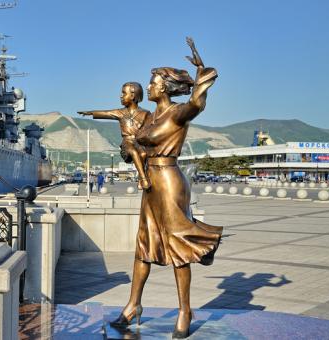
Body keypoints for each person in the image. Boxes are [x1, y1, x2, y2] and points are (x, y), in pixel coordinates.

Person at [111, 38, 223, 339]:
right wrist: (128, 147)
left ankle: (185, 309)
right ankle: (133, 304)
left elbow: (197, 104)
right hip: (149, 183)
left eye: (153, 82)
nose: (148, 87)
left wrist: (201, 73)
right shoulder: (149, 117)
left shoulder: (177, 113)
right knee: (144, 245)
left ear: (165, 87)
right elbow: (137, 147)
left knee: (177, 248)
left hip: (170, 181)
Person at [79, 82, 151, 189]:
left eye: (123, 93)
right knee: (133, 151)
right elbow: (106, 113)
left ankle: (143, 176)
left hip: (138, 142)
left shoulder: (145, 113)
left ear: (132, 96)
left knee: (144, 153)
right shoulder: (120, 112)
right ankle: (143, 179)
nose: (120, 96)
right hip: (127, 145)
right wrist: (90, 113)